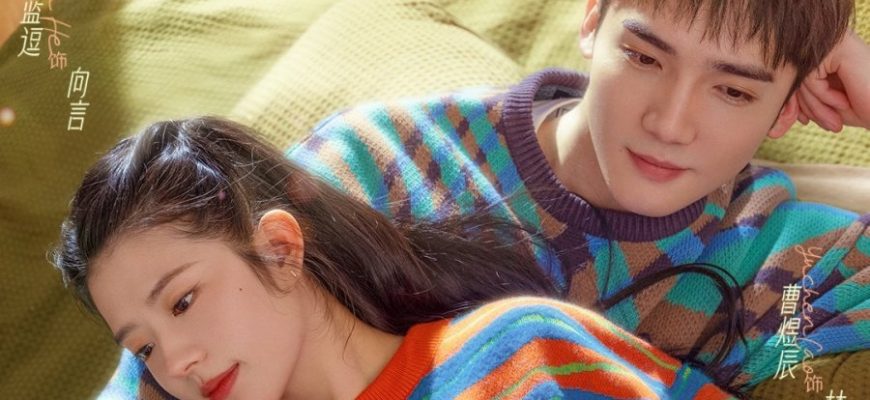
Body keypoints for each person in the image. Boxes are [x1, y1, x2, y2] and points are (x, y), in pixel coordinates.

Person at [288, 0, 870, 394]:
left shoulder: (798, 266)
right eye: (644, 58)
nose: (669, 124)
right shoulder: (378, 167)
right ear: (592, 20)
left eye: (733, 91)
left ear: (786, 109)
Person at [53, 117, 736, 400]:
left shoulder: (520, 354)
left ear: (280, 250)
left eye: (182, 302)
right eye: (143, 349)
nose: (175, 363)